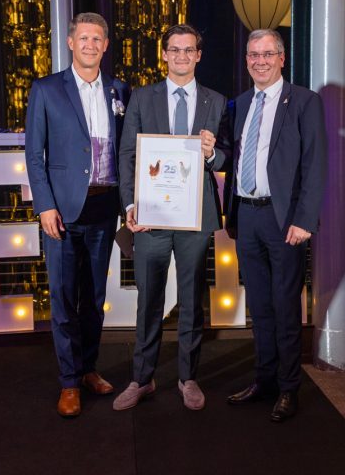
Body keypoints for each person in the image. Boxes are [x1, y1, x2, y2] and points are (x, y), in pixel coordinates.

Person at [113, 24, 229, 411]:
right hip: (151, 216)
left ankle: (187, 378)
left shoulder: (217, 101)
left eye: (189, 49)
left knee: (192, 300)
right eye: (175, 49)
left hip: (196, 217)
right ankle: (141, 378)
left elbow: (227, 156)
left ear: (199, 55)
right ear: (164, 54)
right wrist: (130, 207)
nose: (182, 56)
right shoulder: (142, 97)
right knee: (149, 299)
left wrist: (212, 154)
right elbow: (128, 154)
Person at [25, 12, 130, 418]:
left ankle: (88, 368)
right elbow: (35, 155)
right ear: (71, 43)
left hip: (105, 208)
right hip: (63, 213)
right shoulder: (46, 89)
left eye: (97, 39)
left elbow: (127, 150)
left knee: (95, 299)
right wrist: (45, 205)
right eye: (83, 38)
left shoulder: (119, 89)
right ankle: (68, 381)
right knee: (65, 299)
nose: (90, 44)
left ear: (105, 45)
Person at [222, 29, 327, 422]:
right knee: (260, 307)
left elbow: (315, 164)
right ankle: (264, 381)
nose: (260, 61)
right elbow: (230, 157)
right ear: (246, 60)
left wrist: (304, 220)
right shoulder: (239, 104)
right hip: (246, 215)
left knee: (285, 307)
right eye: (253, 54)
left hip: (285, 221)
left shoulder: (304, 101)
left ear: (282, 59)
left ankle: (288, 387)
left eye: (267, 54)